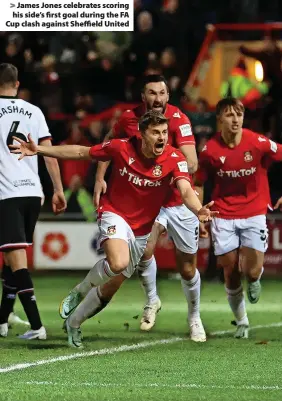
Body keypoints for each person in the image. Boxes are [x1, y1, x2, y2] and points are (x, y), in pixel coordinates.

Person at [10, 110, 217, 348]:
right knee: (117, 263)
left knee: (112, 283)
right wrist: (39, 150)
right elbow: (81, 152)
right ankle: (81, 289)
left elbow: (185, 189)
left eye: (164, 133)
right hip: (114, 213)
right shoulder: (121, 148)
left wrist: (198, 209)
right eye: (155, 132)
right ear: (141, 134)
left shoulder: (174, 158)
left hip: (142, 228)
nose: (161, 137)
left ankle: (74, 324)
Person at [62, 74, 206, 343]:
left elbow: (192, 164)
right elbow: (105, 146)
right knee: (133, 259)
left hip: (176, 198)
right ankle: (151, 301)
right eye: (152, 93)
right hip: (145, 202)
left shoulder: (179, 120)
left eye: (162, 93)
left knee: (187, 269)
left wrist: (165, 164)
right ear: (143, 96)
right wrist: (99, 178)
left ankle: (194, 317)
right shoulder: (127, 120)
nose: (157, 99)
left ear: (168, 97)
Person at [194, 97, 282, 339]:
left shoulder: (258, 142)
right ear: (219, 119)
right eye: (230, 115)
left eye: (239, 115)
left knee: (251, 271)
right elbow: (199, 182)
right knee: (230, 271)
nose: (235, 120)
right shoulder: (209, 151)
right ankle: (242, 321)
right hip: (223, 215)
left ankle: (255, 279)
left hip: (254, 212)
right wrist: (200, 212)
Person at [0, 63, 67, 340]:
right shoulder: (34, 111)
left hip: (7, 194)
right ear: (17, 84)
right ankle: (2, 319)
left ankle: (37, 326)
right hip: (33, 193)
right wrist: (58, 189)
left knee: (17, 261)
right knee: (10, 258)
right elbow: (48, 153)